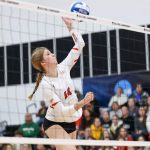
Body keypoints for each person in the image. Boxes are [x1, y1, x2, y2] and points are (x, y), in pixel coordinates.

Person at [28, 17, 94, 150]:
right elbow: (62, 112)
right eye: (48, 54)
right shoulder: (45, 85)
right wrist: (82, 102)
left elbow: (80, 44)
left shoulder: (64, 67)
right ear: (43, 63)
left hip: (70, 120)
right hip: (54, 122)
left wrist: (71, 28)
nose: (53, 54)